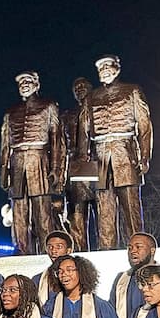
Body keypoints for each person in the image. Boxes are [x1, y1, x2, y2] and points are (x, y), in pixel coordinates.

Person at [82, 55, 153, 249]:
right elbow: (83, 135)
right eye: (100, 68)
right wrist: (82, 170)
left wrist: (144, 156)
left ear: (117, 68)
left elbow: (145, 127)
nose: (104, 70)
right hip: (100, 155)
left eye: (107, 66)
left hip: (125, 152)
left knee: (130, 206)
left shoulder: (132, 90)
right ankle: (106, 249)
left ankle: (138, 248)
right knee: (104, 207)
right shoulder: (91, 97)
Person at [1, 71, 66, 254]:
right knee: (19, 212)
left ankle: (49, 251)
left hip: (39, 159)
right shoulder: (11, 112)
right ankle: (21, 251)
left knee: (43, 211)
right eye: (21, 82)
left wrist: (56, 169)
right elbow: (5, 145)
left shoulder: (48, 106)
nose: (24, 85)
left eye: (28, 81)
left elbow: (56, 140)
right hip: (17, 162)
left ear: (36, 85)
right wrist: (4, 171)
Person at [65, 77, 98, 250]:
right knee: (76, 215)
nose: (79, 89)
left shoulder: (100, 109)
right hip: (76, 169)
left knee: (104, 214)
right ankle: (79, 251)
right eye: (76, 88)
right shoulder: (68, 115)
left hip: (99, 165)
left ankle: (106, 249)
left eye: (83, 86)